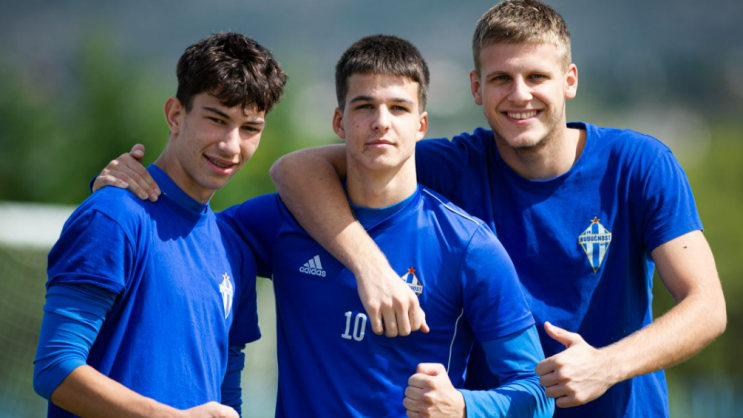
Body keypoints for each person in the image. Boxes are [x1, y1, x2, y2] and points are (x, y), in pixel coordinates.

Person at [261, 1, 725, 417]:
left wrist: (607, 365)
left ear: (569, 81)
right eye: (501, 78)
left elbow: (706, 307)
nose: (519, 94)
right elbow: (295, 169)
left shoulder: (638, 165)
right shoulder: (451, 165)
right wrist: (371, 268)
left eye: (536, 77)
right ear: (476, 87)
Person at [92, 34, 554, 418]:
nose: (381, 122)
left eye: (398, 108)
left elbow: (537, 395)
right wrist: (120, 187)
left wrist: (464, 407)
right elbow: (180, 229)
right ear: (339, 121)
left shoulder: (469, 247)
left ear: (422, 125)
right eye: (364, 106)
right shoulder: (281, 221)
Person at [33, 32, 287, 418]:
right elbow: (55, 368)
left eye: (249, 128)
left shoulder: (235, 250)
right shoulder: (113, 216)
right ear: (175, 115)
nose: (232, 145)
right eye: (217, 119)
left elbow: (227, 397)